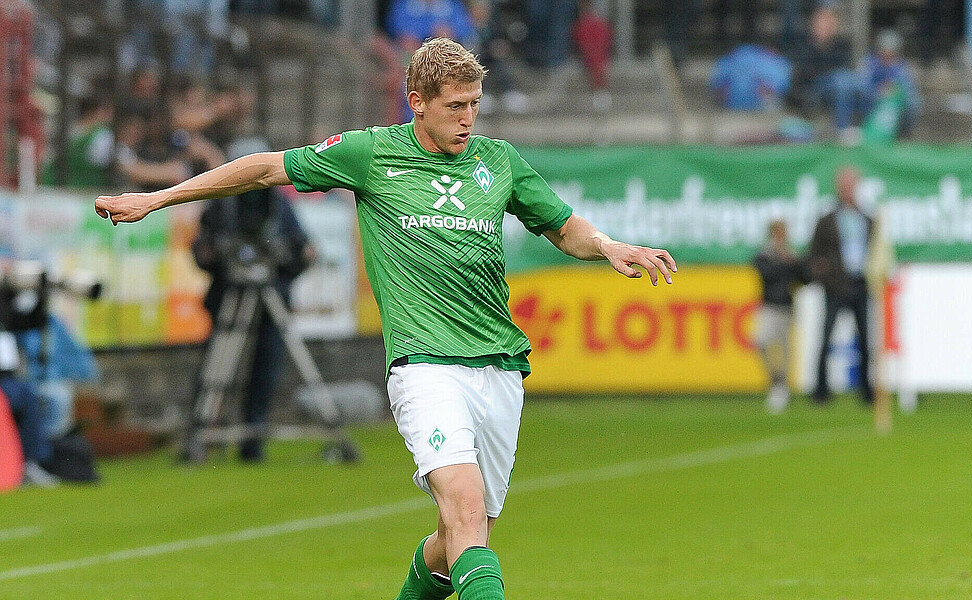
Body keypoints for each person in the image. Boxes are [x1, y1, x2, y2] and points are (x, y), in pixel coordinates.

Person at [96, 38, 676, 600]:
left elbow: (563, 226)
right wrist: (160, 198)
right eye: (455, 106)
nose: (468, 118)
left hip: (499, 367)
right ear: (417, 101)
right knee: (467, 512)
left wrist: (608, 246)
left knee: (458, 540)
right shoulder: (370, 153)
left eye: (474, 104)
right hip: (425, 366)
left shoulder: (499, 161)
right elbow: (265, 168)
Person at [190, 138, 315, 462]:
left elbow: (302, 249)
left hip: (270, 300)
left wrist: (282, 266)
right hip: (228, 297)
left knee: (265, 370)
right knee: (215, 369)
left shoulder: (279, 204)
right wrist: (218, 255)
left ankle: (253, 440)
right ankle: (201, 435)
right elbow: (201, 250)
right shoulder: (218, 204)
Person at [808, 166, 874, 405]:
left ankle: (867, 391)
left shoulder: (867, 218)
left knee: (865, 341)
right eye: (844, 185)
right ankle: (821, 390)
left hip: (860, 283)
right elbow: (814, 253)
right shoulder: (827, 220)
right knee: (825, 338)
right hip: (836, 286)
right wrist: (825, 276)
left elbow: (876, 251)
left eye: (851, 185)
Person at [752, 219, 808, 413]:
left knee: (784, 350)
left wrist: (792, 262)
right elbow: (764, 273)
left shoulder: (791, 254)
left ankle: (782, 387)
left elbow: (804, 277)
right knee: (760, 341)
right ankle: (775, 380)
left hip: (786, 307)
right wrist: (785, 262)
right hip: (768, 306)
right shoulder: (766, 254)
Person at [787, 3, 864, 142]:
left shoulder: (841, 46)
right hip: (814, 93)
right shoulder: (803, 47)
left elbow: (848, 72)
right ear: (813, 23)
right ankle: (842, 132)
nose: (825, 25)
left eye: (829, 21)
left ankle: (865, 131)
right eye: (822, 20)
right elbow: (800, 83)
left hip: (840, 90)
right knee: (841, 81)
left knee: (857, 84)